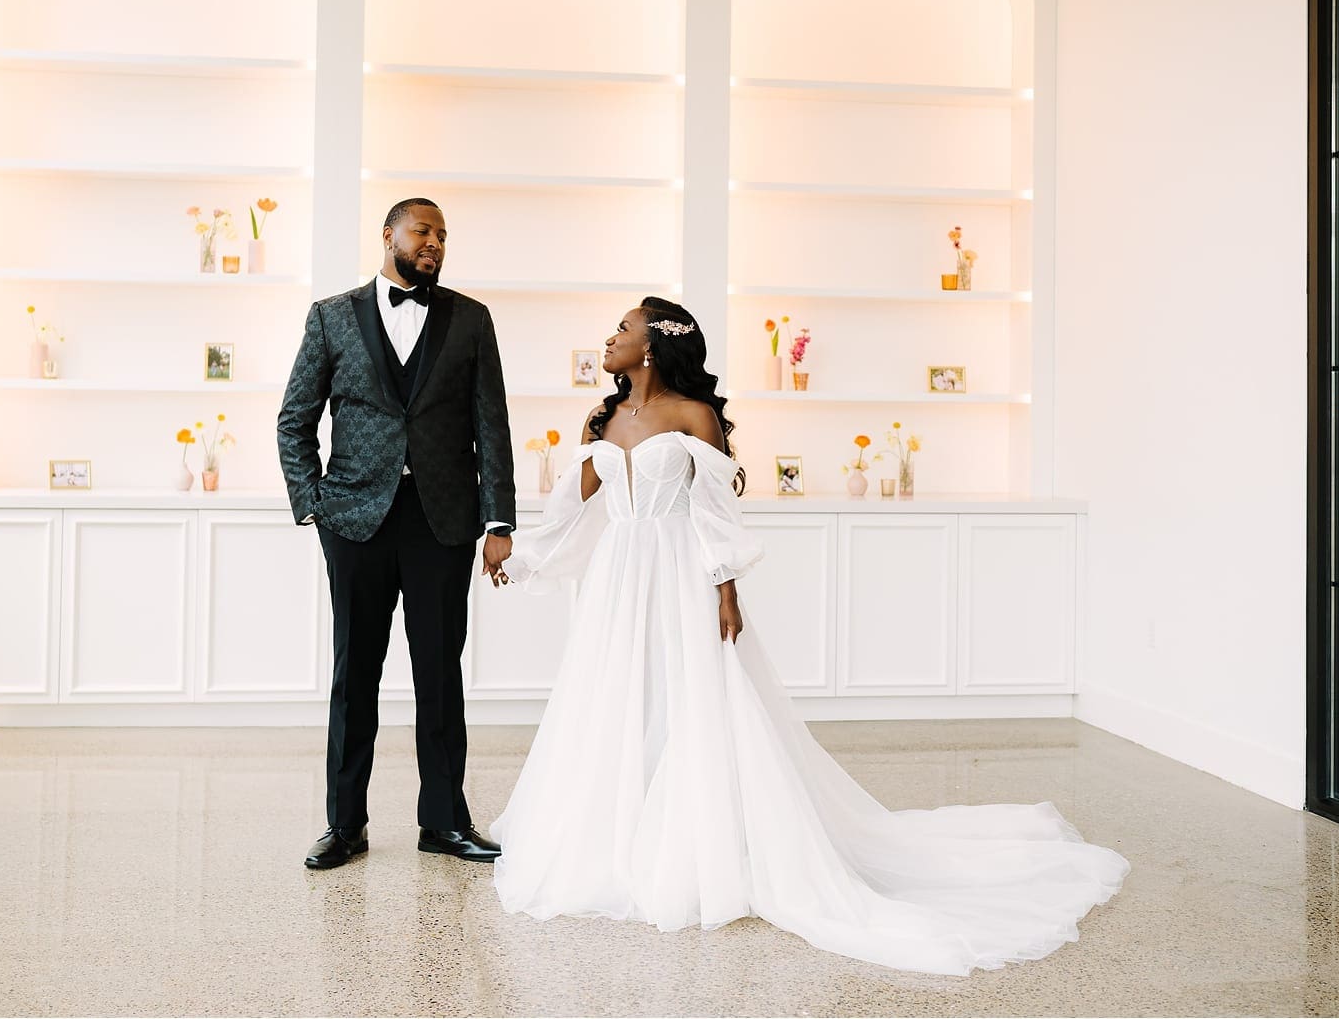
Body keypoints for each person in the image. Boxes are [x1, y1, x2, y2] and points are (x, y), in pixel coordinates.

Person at [482, 298, 1129, 975]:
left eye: (621, 328)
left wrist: (726, 590)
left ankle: (700, 842)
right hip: (618, 585)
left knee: (695, 702)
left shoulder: (694, 417)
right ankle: (618, 834)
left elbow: (714, 515)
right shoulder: (600, 419)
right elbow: (572, 509)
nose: (609, 338)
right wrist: (521, 556)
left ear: (651, 348)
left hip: (678, 579)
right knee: (619, 701)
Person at [277, 198, 515, 870]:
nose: (434, 241)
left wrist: (498, 521)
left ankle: (443, 819)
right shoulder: (331, 317)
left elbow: (490, 426)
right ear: (389, 236)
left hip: (442, 520)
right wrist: (314, 505)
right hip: (354, 521)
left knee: (440, 672)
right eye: (422, 230)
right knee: (356, 673)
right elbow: (295, 420)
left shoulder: (471, 320)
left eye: (443, 232)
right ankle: (344, 823)